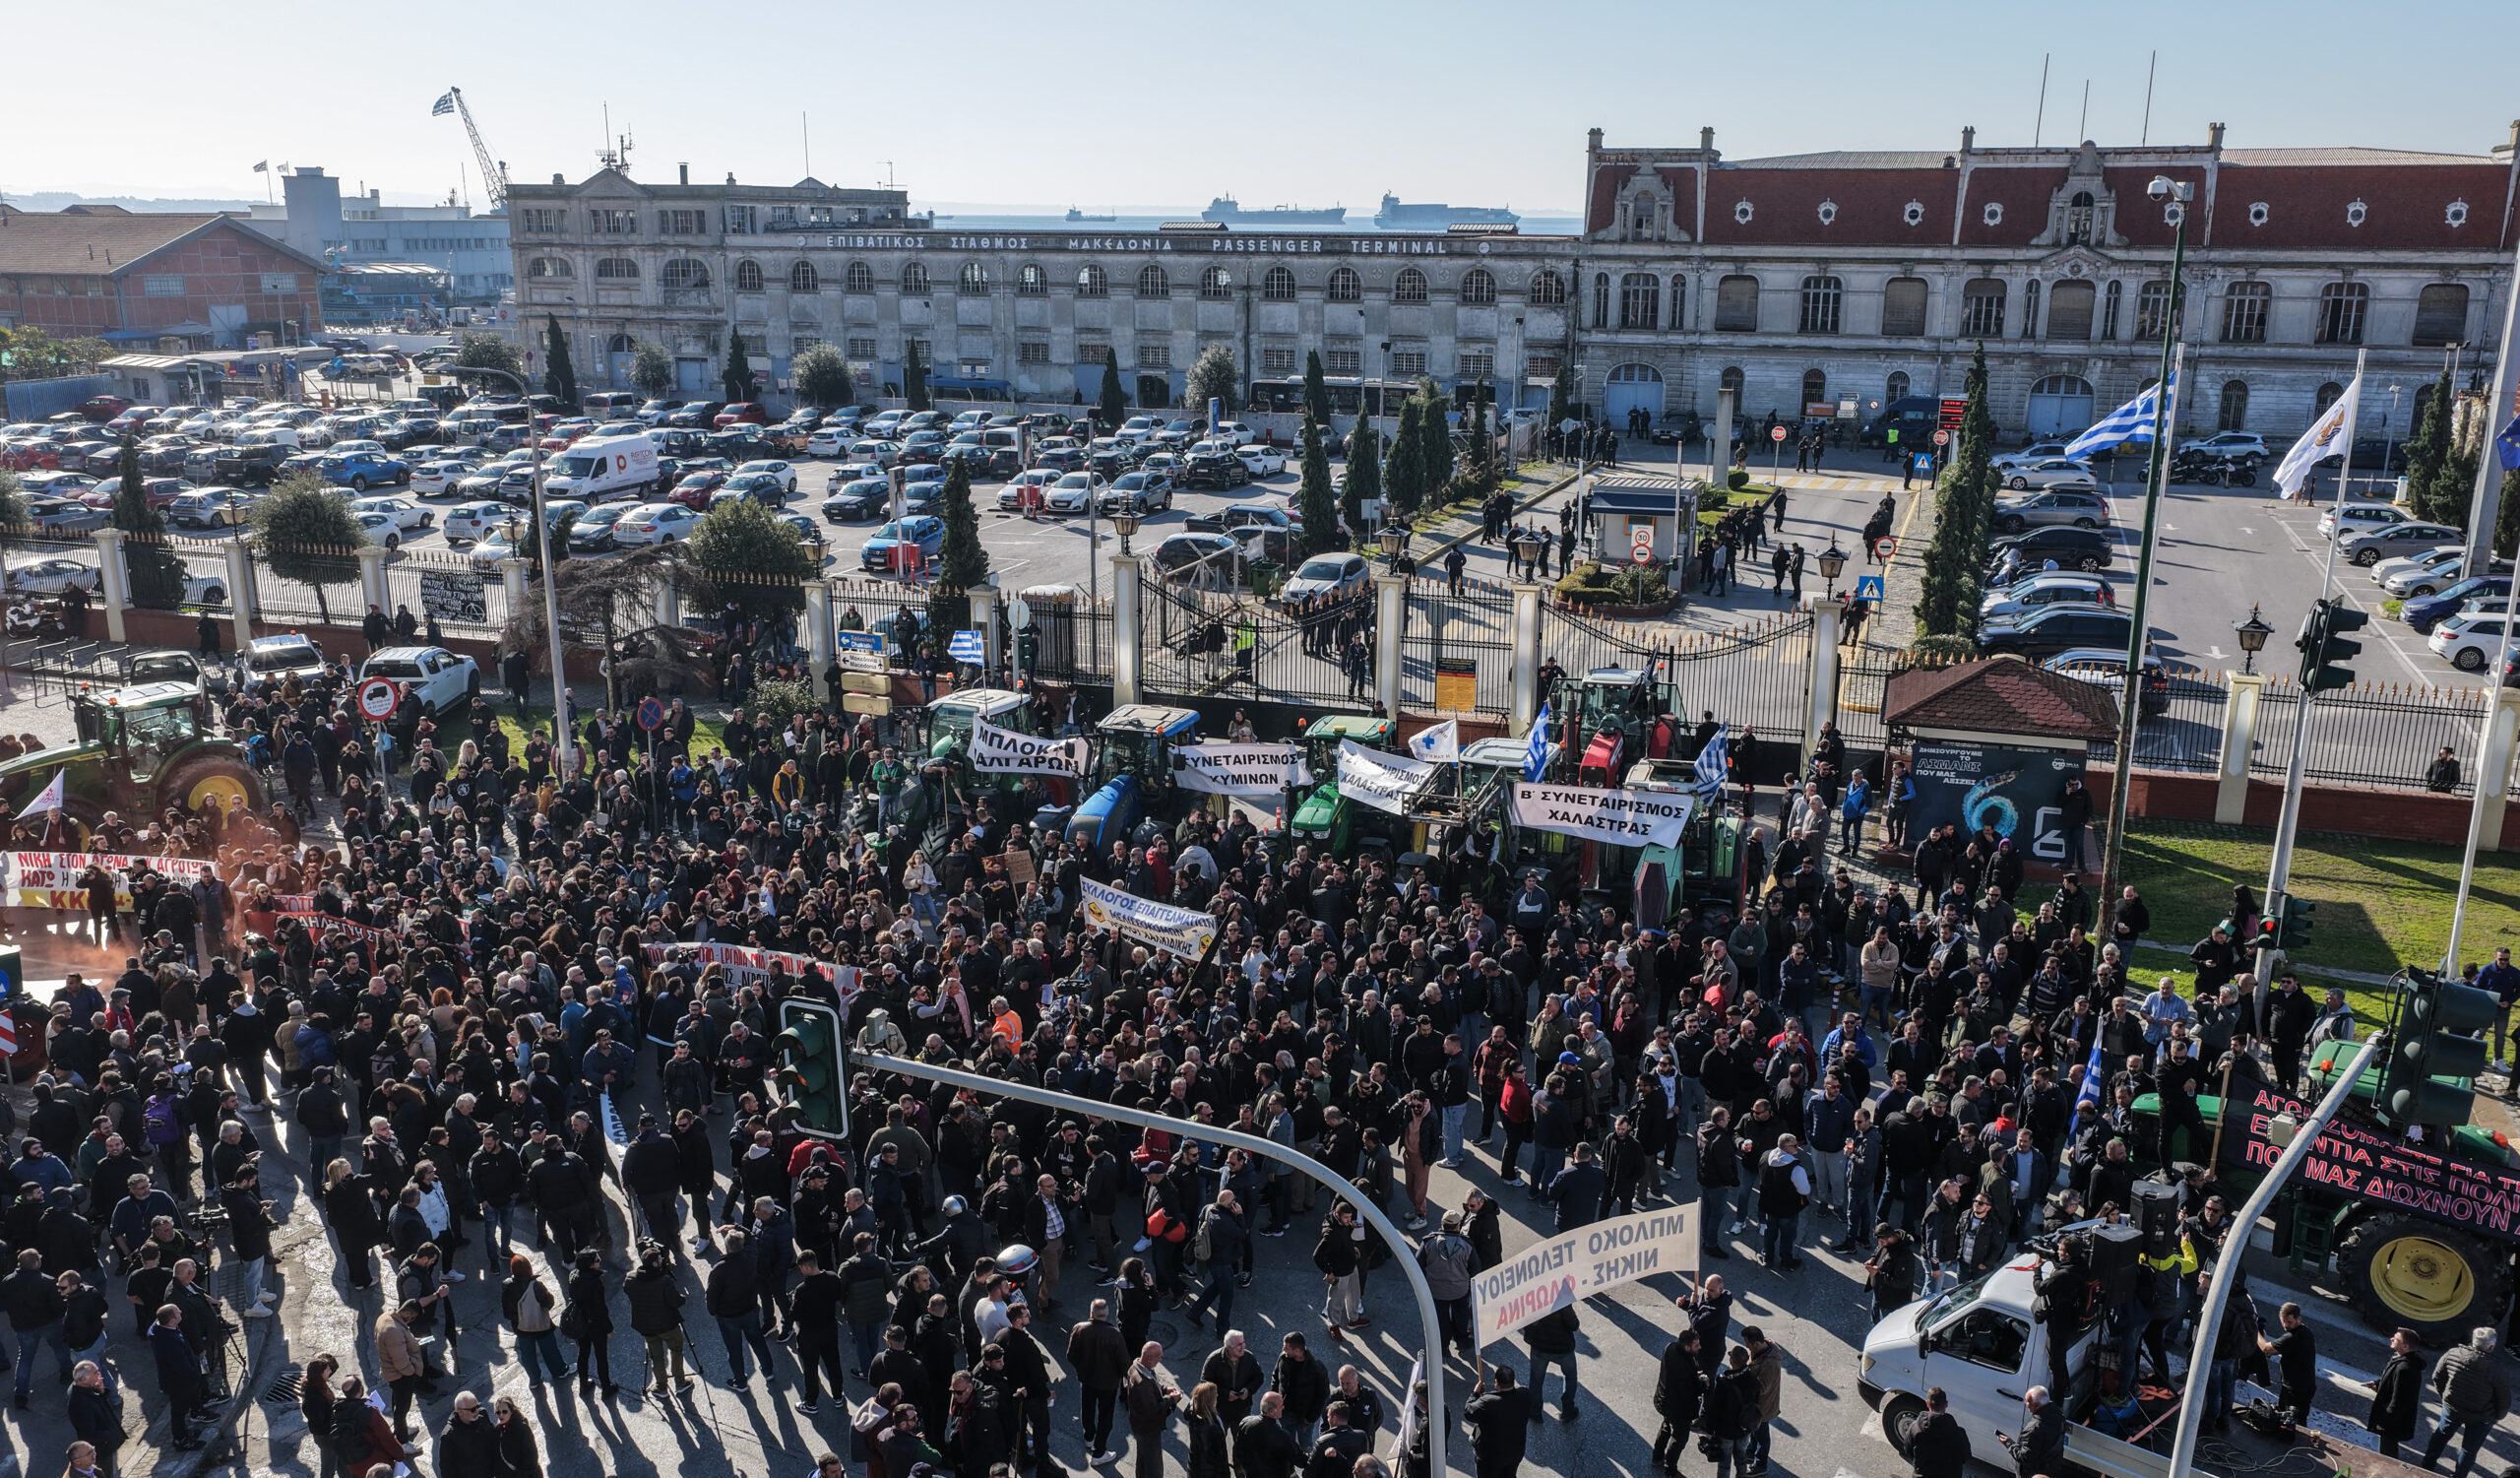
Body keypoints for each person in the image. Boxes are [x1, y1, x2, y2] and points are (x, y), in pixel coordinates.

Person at [2419, 1327, 2510, 1478]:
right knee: (2469, 1449)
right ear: (2491, 1347)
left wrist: (2445, 1397)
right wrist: (2498, 1416)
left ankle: (2427, 1464)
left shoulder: (2453, 1354)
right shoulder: (2495, 1369)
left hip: (2452, 1408)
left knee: (2441, 1435)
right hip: (2481, 1417)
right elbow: (2503, 1398)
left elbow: (2437, 1376)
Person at [2363, 1326, 2424, 1461]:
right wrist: (2378, 1383)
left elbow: (2399, 1401)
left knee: (2388, 1447)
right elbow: (2393, 1380)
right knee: (2386, 1444)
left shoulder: (2405, 1368)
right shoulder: (2401, 1359)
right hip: (2394, 1418)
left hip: (2393, 1420)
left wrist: (2384, 1422)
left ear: (2405, 1346)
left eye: (2396, 1339)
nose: (2391, 1339)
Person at [1464, 1363, 1535, 1478]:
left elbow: (1469, 1412)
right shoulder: (1524, 1394)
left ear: (1496, 1382)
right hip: (1514, 1453)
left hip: (1490, 1458)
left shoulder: (1487, 1402)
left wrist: (1475, 1394)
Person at [1122, 1341, 1181, 1478]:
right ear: (1149, 1358)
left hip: (1139, 1424)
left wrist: (1164, 1390)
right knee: (1154, 1468)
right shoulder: (1142, 1383)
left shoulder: (1136, 1367)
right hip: (1148, 1429)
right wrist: (1172, 1399)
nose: (1161, 1358)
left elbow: (1152, 1387)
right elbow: (1153, 1410)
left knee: (1143, 1460)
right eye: (1159, 1356)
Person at [2255, 1301, 2317, 1429]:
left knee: (2295, 1422)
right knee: (2284, 1416)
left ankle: (2297, 1438)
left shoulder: (2293, 1337)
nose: (2286, 1325)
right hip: (2297, 1386)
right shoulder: (2305, 1332)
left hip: (2297, 1389)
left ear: (2298, 1319)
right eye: (2283, 1321)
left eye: (2289, 1322)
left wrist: (2255, 1331)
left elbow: (2266, 1348)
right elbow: (2288, 1349)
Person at [1523, 1304, 1580, 1422]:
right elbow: (1574, 1325)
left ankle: (1535, 1411)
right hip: (1562, 1348)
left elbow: (1524, 1320)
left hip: (1539, 1347)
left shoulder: (1531, 1298)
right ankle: (1568, 1409)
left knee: (1536, 1380)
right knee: (1570, 1376)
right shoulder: (1561, 1299)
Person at [1907, 1386, 1970, 1478]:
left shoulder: (1914, 1428)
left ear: (1928, 1404)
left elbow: (1908, 1449)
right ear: (1946, 1404)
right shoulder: (1959, 1433)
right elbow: (1966, 1456)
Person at [2005, 1386, 2063, 1478]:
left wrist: (2009, 1443)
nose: (2025, 1403)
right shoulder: (2058, 1415)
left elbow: (2025, 1458)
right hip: (2050, 1468)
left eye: (2028, 1401)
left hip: (2033, 1473)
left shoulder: (2034, 1429)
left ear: (2037, 1405)